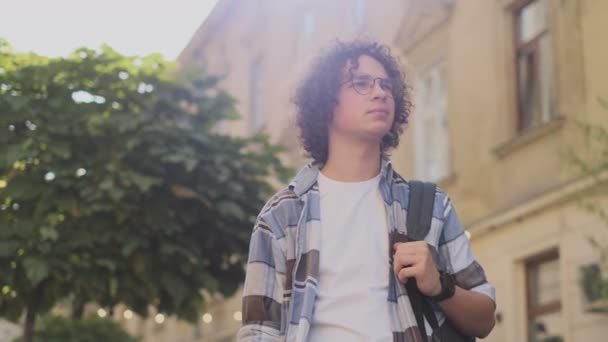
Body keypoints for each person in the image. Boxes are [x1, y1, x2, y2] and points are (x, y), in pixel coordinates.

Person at [237, 39, 496, 342]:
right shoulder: (281, 217)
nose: (380, 93)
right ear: (324, 101)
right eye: (361, 83)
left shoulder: (429, 205)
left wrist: (440, 285)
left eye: (386, 85)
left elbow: (484, 319)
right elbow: (259, 332)